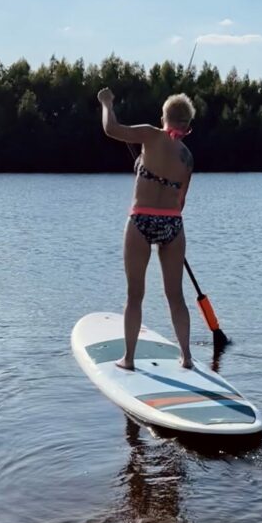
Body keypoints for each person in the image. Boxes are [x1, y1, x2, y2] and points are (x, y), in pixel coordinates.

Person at [97, 86, 195, 370]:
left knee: (135, 295)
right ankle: (187, 357)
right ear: (188, 124)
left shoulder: (151, 134)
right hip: (172, 225)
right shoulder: (187, 156)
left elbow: (111, 129)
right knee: (176, 296)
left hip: (141, 220)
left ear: (163, 117)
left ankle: (128, 359)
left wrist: (107, 103)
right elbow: (181, 201)